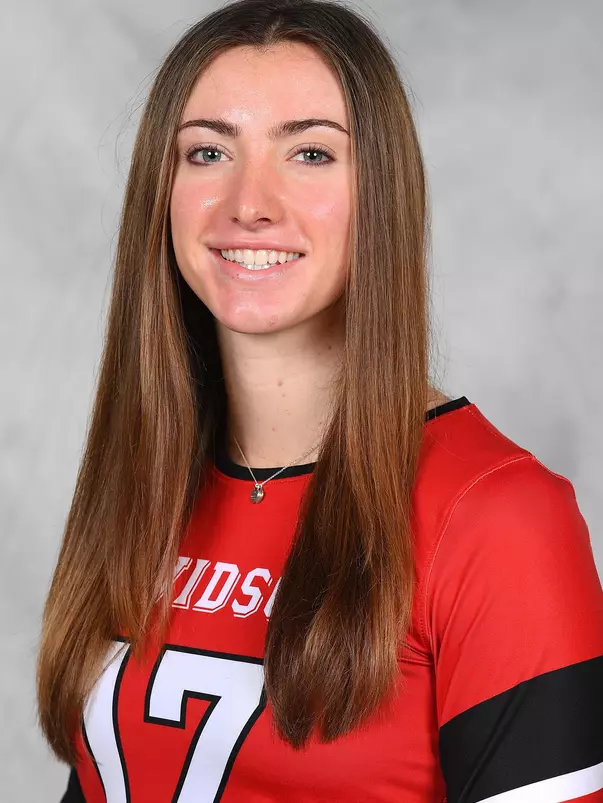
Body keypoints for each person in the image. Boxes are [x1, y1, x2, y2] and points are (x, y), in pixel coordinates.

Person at [36, 1, 603, 801]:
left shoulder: (497, 516)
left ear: (383, 193)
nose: (249, 202)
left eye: (308, 152)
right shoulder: (145, 483)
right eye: (206, 152)